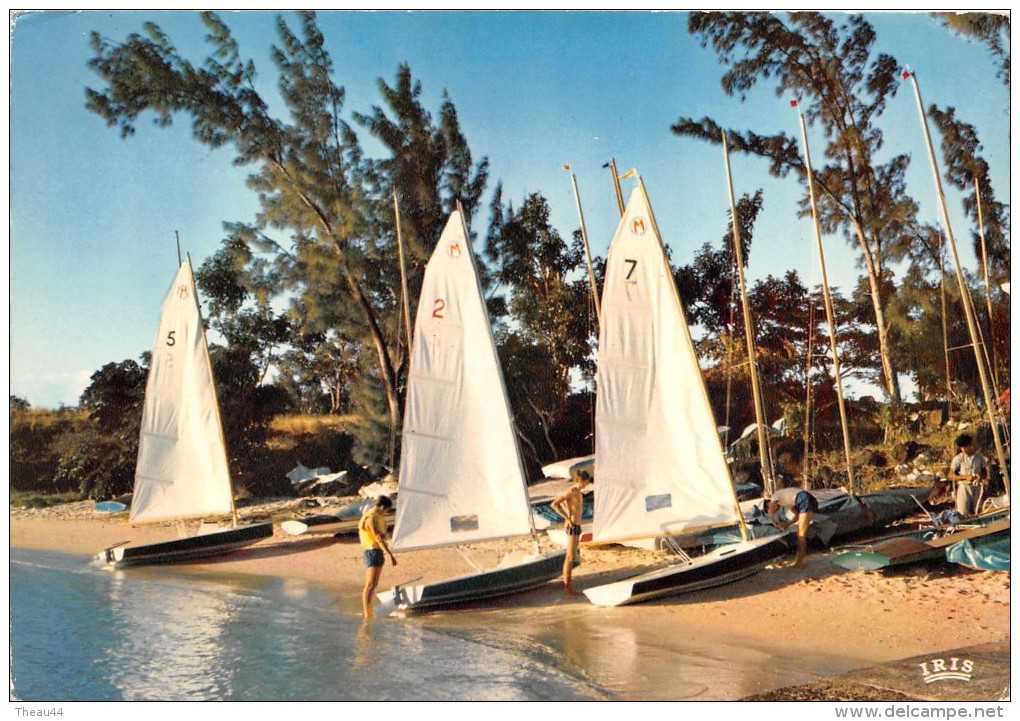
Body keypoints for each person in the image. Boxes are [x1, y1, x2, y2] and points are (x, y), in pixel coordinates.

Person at [551, 469, 591, 595]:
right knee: (570, 557)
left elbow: (564, 503)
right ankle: (567, 589)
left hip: (576, 525)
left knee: (572, 556)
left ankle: (568, 587)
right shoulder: (572, 491)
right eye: (586, 482)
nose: (587, 484)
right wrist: (567, 517)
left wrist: (567, 512)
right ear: (581, 480)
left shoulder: (577, 491)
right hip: (573, 525)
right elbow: (554, 504)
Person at [358, 495, 397, 618]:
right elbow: (378, 538)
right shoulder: (371, 518)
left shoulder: (375, 515)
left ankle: (368, 611)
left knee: (374, 584)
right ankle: (367, 613)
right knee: (370, 584)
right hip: (372, 552)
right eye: (385, 510)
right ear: (382, 507)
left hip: (376, 552)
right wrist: (390, 555)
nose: (385, 513)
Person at [764, 486, 818, 567]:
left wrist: (773, 520)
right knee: (800, 533)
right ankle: (799, 559)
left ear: (768, 505)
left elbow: (771, 510)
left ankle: (799, 562)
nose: (775, 511)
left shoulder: (775, 496)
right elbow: (797, 515)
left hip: (803, 498)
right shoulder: (786, 502)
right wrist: (788, 524)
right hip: (810, 500)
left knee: (801, 535)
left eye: (770, 509)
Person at [947, 433, 987, 517]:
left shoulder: (979, 457)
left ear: (971, 445)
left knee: (978, 511)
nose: (964, 449)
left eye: (966, 447)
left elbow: (984, 472)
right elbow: (951, 475)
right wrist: (965, 477)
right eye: (962, 448)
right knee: (963, 513)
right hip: (964, 488)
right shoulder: (958, 458)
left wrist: (980, 477)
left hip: (976, 487)